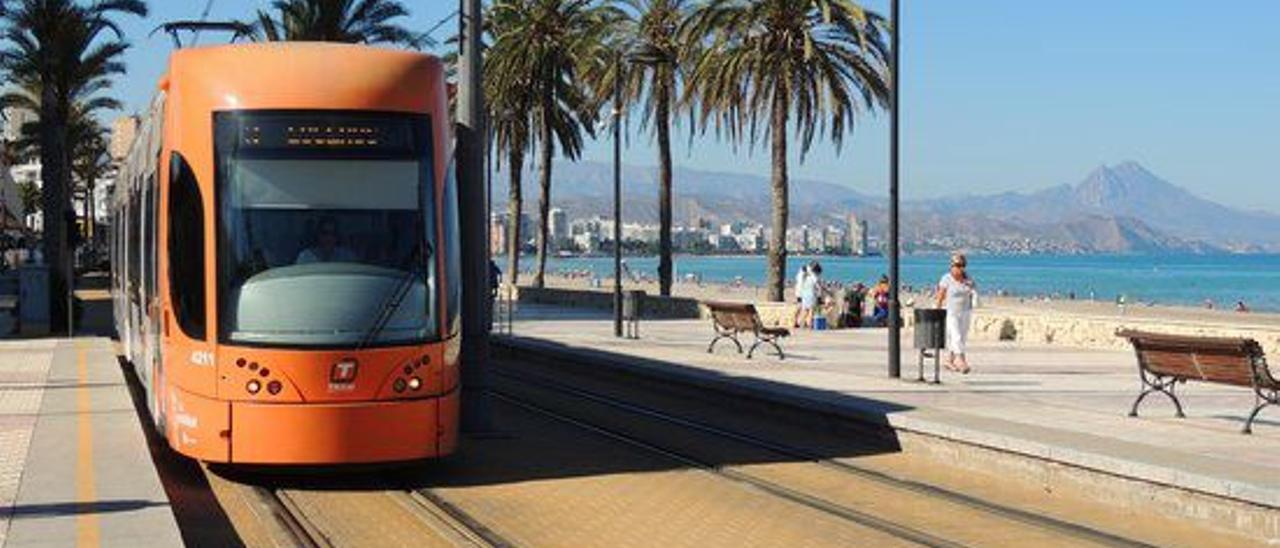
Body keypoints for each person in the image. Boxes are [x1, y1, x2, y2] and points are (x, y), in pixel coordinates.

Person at [936, 253, 977, 373]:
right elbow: (940, 296)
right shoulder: (946, 278)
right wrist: (937, 311)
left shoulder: (968, 278)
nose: (960, 268)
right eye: (958, 265)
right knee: (956, 336)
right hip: (951, 311)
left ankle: (949, 360)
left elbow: (973, 291)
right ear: (952, 266)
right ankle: (961, 360)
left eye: (963, 265)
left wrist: (971, 286)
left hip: (965, 311)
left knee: (961, 338)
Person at [799, 262, 824, 328]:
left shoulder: (806, 276)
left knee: (804, 310)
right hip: (812, 294)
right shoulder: (815, 277)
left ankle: (802, 324)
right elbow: (819, 287)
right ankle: (810, 325)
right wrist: (821, 295)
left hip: (805, 294)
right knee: (811, 310)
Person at [793, 263, 811, 328]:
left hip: (798, 293)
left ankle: (796, 321)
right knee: (806, 308)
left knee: (799, 307)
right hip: (803, 293)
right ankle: (804, 322)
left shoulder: (798, 275)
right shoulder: (804, 275)